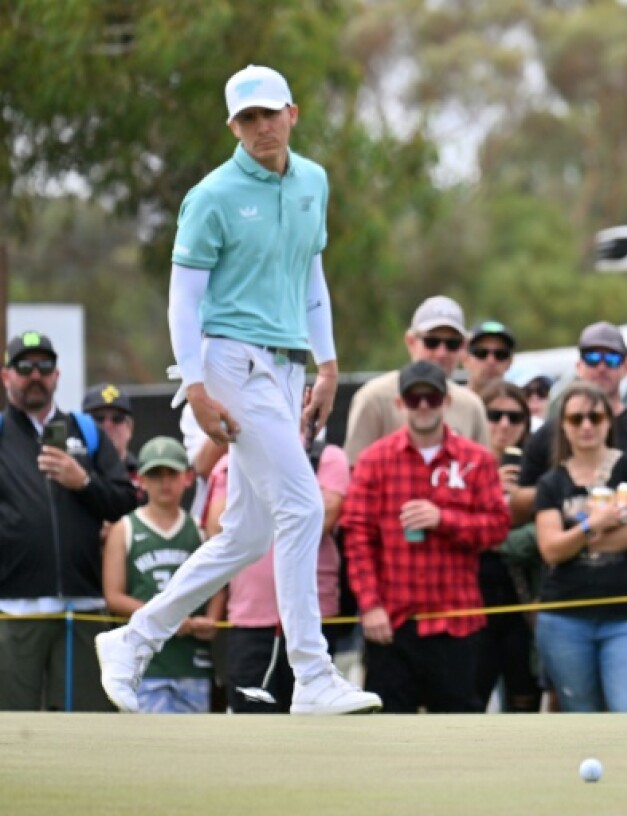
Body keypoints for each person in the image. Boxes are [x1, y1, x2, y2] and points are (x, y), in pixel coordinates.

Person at [95, 64, 381, 715]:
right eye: (246, 118)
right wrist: (194, 385)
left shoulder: (313, 181)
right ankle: (311, 675)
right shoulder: (213, 195)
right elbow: (183, 300)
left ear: (293, 113)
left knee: (247, 535)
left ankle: (133, 640)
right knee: (304, 507)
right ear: (233, 126)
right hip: (228, 361)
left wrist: (328, 366)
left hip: (286, 366)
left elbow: (312, 281)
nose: (260, 128)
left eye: (269, 114)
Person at [342, 361, 509, 713]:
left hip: (456, 622)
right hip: (391, 622)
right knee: (387, 735)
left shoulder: (477, 460)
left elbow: (497, 526)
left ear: (446, 402)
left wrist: (444, 519)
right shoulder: (374, 460)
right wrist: (370, 605)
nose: (422, 405)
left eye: (431, 397)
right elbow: (357, 536)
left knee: (459, 735)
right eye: (413, 398)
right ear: (400, 404)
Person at [0, 331, 138, 711]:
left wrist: (84, 482)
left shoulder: (87, 431)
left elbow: (125, 501)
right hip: (16, 609)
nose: (35, 374)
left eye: (44, 366)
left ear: (57, 375)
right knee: (11, 726)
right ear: (6, 376)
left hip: (84, 606)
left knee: (85, 725)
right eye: (24, 366)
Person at [533, 381, 627, 712]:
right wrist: (593, 525)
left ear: (609, 421)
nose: (587, 426)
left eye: (595, 417)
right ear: (563, 425)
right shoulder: (551, 482)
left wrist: (576, 539)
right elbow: (550, 549)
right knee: (581, 718)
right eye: (576, 419)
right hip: (565, 618)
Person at [202, 428, 351, 713]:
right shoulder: (234, 458)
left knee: (319, 727)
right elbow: (218, 525)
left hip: (314, 622)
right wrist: (290, 503)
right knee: (251, 724)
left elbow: (323, 517)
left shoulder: (327, 457)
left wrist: (255, 505)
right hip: (249, 620)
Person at [512, 322, 627, 535]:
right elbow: (518, 505)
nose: (601, 367)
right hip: (568, 560)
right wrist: (569, 496)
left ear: (626, 368)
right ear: (578, 366)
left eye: (612, 359)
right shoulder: (547, 435)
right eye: (592, 358)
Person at [102, 437, 221, 713]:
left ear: (188, 477)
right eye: (155, 474)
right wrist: (164, 617)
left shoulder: (199, 531)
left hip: (192, 662)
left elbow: (218, 584)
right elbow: (113, 596)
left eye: (172, 473)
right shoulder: (125, 529)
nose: (164, 482)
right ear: (142, 480)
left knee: (192, 747)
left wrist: (212, 618)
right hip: (146, 667)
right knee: (146, 747)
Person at [344, 295, 489, 465]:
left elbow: (481, 472)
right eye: (432, 342)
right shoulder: (374, 397)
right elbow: (354, 468)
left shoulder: (471, 406)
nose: (442, 353)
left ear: (463, 347)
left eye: (452, 343)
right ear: (411, 342)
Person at [474, 379, 541, 713]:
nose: (504, 425)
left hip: (524, 595)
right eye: (494, 415)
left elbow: (544, 535)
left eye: (514, 417)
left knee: (524, 700)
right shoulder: (461, 464)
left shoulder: (539, 464)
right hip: (472, 597)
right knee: (471, 699)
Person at [83, 383, 138, 485]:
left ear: (129, 427)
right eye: (98, 418)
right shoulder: (71, 472)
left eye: (117, 418)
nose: (108, 425)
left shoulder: (144, 475)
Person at [465, 320, 516, 396]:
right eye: (481, 353)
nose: (491, 361)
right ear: (466, 359)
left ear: (510, 362)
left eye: (500, 354)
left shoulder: (519, 406)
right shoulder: (449, 404)